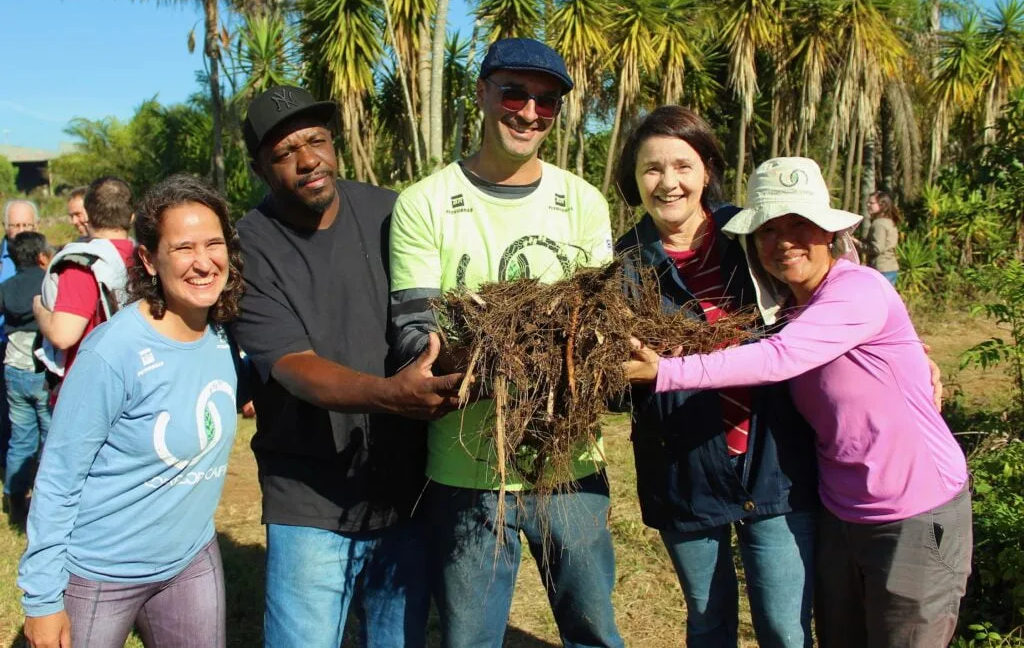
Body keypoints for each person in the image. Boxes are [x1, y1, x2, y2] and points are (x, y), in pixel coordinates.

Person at [626, 157, 971, 648]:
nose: (784, 241)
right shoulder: (786, 310)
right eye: (768, 230)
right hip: (841, 513)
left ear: (828, 232)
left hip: (912, 512)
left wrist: (665, 372)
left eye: (799, 225)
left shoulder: (858, 289)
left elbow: (779, 358)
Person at [389, 38, 624, 648]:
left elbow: (599, 324)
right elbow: (416, 335)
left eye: (546, 102)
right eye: (514, 94)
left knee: (595, 630)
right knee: (469, 639)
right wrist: (528, 353)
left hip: (570, 462)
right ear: (482, 94)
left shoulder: (583, 202)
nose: (529, 113)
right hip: (465, 467)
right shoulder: (424, 203)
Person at [231, 84, 462, 648]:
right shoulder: (247, 248)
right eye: (285, 152)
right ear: (259, 168)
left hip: (404, 483)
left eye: (316, 141)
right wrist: (393, 394)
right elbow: (293, 365)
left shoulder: (392, 213)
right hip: (309, 493)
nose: (308, 160)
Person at [614, 107, 817, 647]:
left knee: (785, 628)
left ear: (707, 169)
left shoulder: (752, 235)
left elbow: (829, 295)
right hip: (684, 467)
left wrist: (902, 348)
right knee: (708, 621)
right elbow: (612, 388)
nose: (669, 182)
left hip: (774, 462)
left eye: (683, 165)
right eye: (652, 168)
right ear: (634, 180)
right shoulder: (624, 265)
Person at [19, 173, 247, 648]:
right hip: (100, 570)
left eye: (214, 244)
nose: (204, 261)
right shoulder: (113, 351)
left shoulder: (223, 336)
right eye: (183, 248)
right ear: (148, 259)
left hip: (190, 560)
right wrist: (42, 600)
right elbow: (58, 477)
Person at [34, 177, 135, 377]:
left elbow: (63, 335)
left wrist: (38, 308)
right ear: (132, 217)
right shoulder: (147, 259)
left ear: (88, 214)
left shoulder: (82, 264)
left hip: (89, 381)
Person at [0, 231, 52, 526]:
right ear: (41, 256)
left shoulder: (6, 287)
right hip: (41, 373)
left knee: (20, 438)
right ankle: (45, 503)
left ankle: (15, 501)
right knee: (50, 438)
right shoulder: (47, 283)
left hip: (12, 370)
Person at [0, 200, 39, 472]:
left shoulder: (48, 260)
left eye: (27, 224)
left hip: (37, 349)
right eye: (15, 225)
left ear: (37, 226)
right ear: (5, 227)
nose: (21, 230)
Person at [865, 192, 900, 286]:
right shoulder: (889, 221)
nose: (868, 205)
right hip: (890, 267)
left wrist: (857, 244)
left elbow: (877, 248)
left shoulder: (878, 224)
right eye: (868, 203)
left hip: (881, 269)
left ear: (882, 205)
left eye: (871, 203)